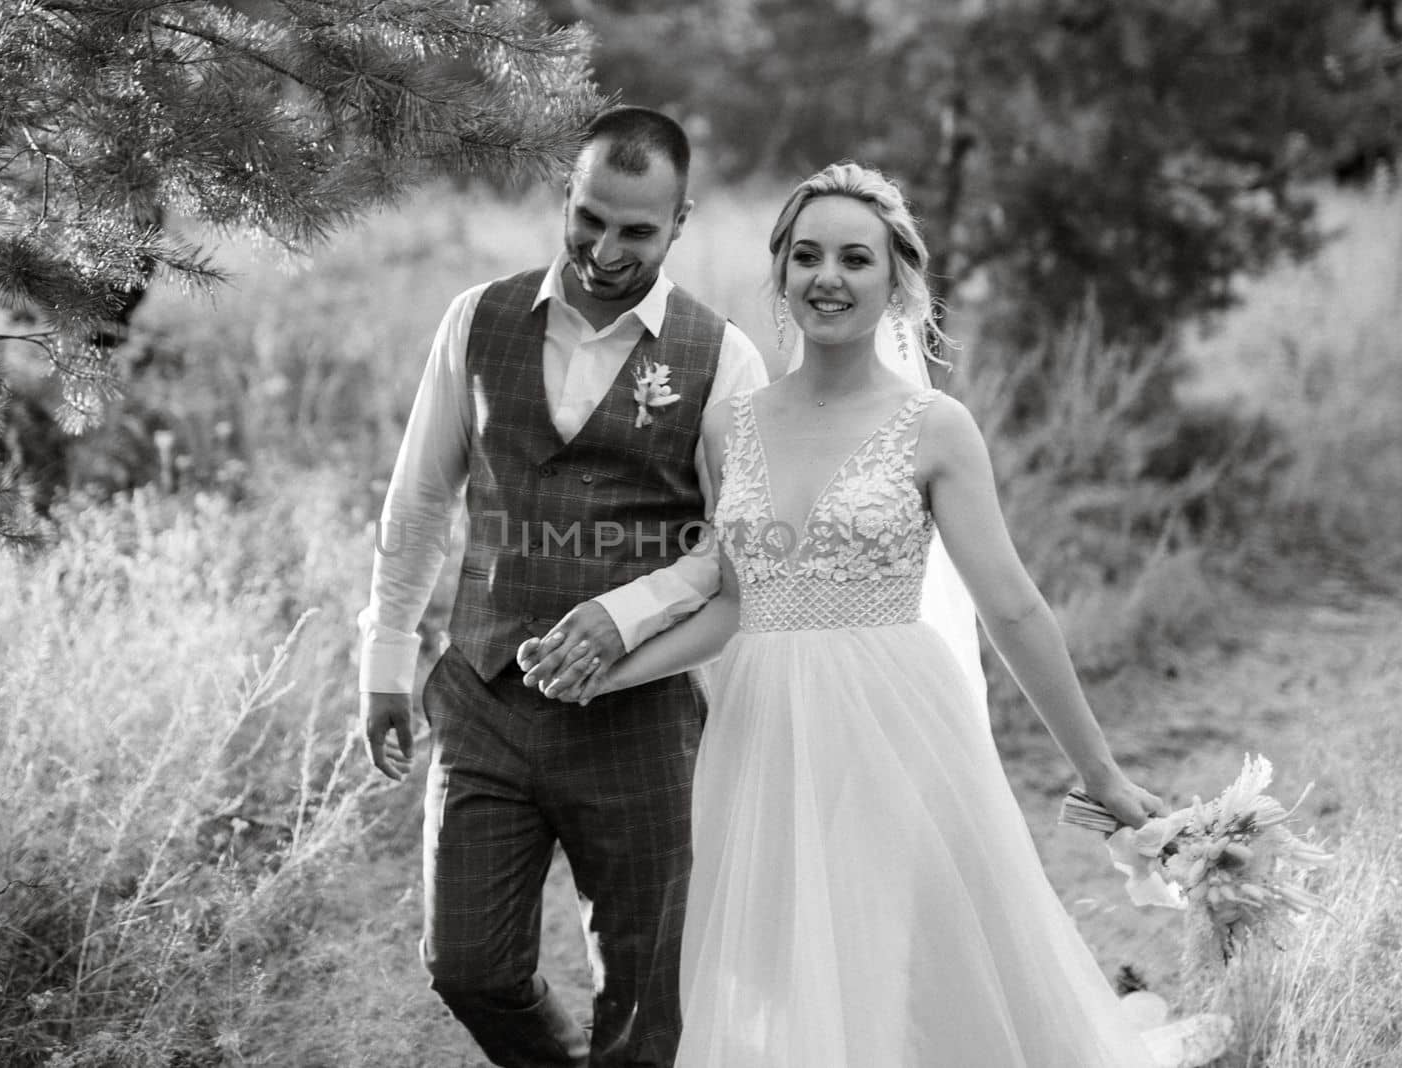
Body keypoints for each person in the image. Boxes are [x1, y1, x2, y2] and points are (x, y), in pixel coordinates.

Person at [541, 161, 1170, 1066]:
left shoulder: (935, 426)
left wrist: (1102, 773)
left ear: (897, 280)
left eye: (854, 258)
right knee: (782, 968)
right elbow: (732, 606)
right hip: (758, 731)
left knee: (882, 959)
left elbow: (1014, 610)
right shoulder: (732, 426)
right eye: (806, 256)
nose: (827, 277)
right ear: (782, 272)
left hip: (893, 725)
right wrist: (611, 670)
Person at [358, 105, 769, 1068]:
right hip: (484, 698)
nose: (605, 248)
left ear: (681, 222)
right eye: (590, 218)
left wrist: (625, 615)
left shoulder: (724, 358)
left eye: (636, 229)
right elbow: (418, 501)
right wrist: (385, 656)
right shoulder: (478, 318)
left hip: (640, 723)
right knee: (467, 969)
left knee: (641, 995)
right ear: (566, 196)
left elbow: (739, 549)